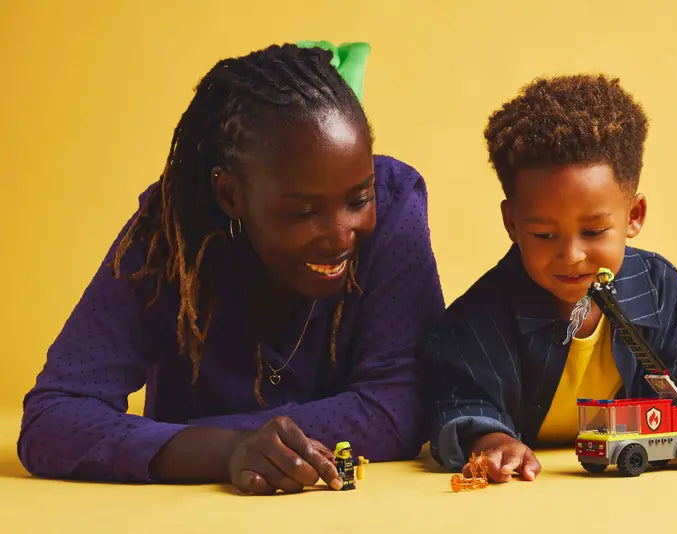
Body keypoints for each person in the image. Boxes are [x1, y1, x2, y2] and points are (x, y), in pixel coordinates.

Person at [18, 43, 444, 495]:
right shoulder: (172, 229)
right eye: (303, 211)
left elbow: (400, 406)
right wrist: (227, 450)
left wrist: (192, 440)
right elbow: (52, 418)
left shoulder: (395, 204)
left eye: (359, 199)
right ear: (230, 194)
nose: (341, 236)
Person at [427, 75, 677, 482]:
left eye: (594, 231)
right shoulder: (479, 319)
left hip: (661, 362)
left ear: (634, 216)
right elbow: (462, 401)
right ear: (512, 223)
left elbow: (671, 397)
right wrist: (492, 439)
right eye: (544, 235)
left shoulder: (661, 290)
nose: (571, 256)